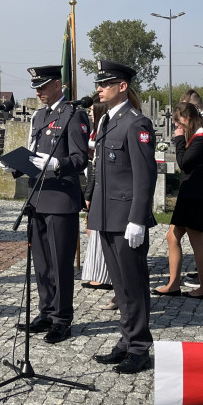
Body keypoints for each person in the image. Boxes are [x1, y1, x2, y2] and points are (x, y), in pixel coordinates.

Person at [86, 60, 158, 375]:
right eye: (98, 84)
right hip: (106, 215)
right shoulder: (107, 122)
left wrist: (138, 219)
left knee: (134, 284)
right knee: (120, 286)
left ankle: (140, 348)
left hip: (126, 217)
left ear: (122, 87)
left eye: (105, 83)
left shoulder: (135, 123)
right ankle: (127, 341)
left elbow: (145, 176)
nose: (99, 89)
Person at [17, 64, 89, 344]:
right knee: (42, 264)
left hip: (60, 198)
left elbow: (81, 158)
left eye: (43, 86)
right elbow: (34, 153)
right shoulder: (39, 116)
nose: (38, 91)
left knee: (60, 264)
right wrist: (16, 164)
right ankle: (46, 311)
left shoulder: (72, 114)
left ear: (58, 85)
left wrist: (58, 164)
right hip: (37, 196)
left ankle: (62, 319)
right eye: (36, 86)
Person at [155, 101, 203, 300]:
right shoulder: (202, 135)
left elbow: (183, 163)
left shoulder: (201, 137)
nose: (177, 127)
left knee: (196, 241)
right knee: (172, 237)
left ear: (188, 118)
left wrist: (179, 140)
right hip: (190, 193)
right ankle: (173, 284)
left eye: (179, 123)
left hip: (195, 195)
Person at [80, 102, 113, 298]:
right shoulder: (96, 131)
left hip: (99, 190)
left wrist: (88, 195)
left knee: (97, 232)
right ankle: (98, 272)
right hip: (96, 187)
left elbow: (94, 169)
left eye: (92, 111)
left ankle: (102, 275)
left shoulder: (103, 130)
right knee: (92, 230)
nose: (90, 114)